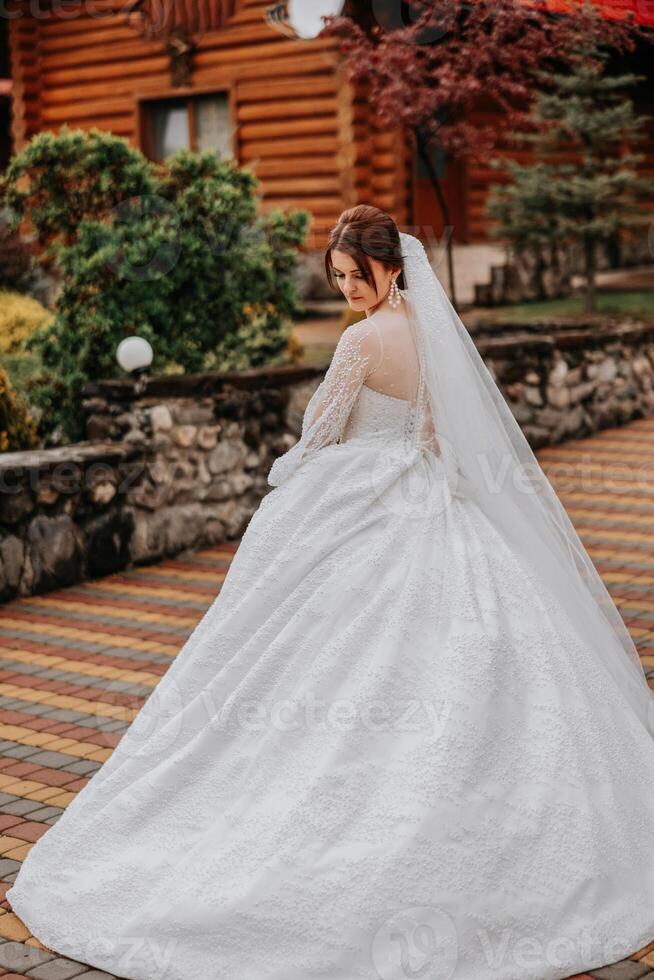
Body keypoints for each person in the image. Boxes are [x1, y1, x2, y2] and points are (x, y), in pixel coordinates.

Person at [6, 205, 654, 980]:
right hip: (428, 496)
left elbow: (319, 433)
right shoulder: (434, 333)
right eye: (340, 277)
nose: (349, 288)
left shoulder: (359, 340)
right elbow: (442, 436)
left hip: (356, 499)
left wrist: (289, 483)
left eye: (357, 274)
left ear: (389, 265)